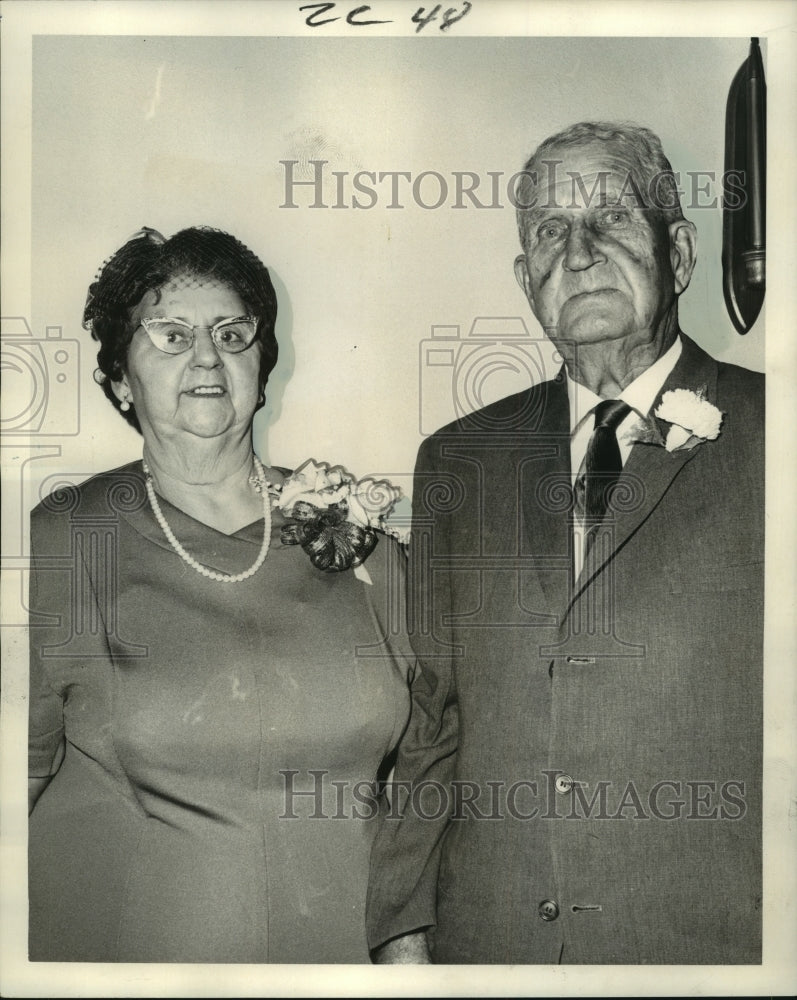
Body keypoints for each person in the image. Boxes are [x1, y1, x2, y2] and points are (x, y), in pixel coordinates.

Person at [366, 121, 764, 964]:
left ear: (679, 253)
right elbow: (430, 719)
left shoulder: (780, 433)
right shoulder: (458, 460)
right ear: (527, 280)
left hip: (715, 954)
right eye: (549, 230)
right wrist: (401, 928)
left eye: (612, 218)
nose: (577, 253)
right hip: (494, 948)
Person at [28, 226, 414, 963]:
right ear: (117, 377)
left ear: (260, 369)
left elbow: (434, 758)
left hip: (339, 955)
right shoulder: (68, 538)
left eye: (232, 334)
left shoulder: (357, 530)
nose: (207, 355)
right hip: (128, 958)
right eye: (170, 335)